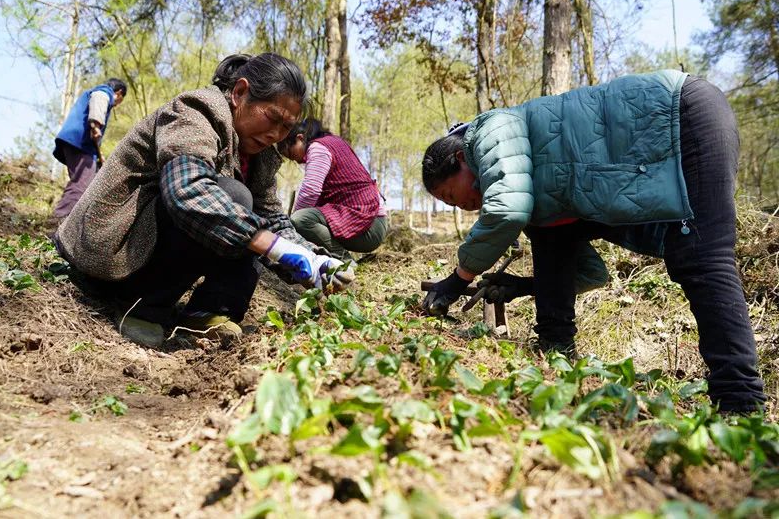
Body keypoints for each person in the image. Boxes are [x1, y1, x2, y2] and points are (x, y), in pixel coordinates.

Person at [420, 70, 767, 412]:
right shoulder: (543, 188)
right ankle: (555, 354)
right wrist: (525, 286)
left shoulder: (492, 128)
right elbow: (588, 275)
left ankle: (740, 398)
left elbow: (506, 211)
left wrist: (456, 279)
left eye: (453, 196)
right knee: (551, 234)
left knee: (701, 258)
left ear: (461, 159)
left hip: (680, 116)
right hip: (652, 141)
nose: (463, 207)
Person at [53, 53, 354, 348]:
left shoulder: (261, 154)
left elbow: (273, 219)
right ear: (240, 93)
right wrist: (271, 245)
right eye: (272, 118)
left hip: (143, 251)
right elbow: (186, 191)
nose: (276, 134)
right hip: (109, 249)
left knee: (249, 218)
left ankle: (208, 311)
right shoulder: (196, 111)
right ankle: (140, 304)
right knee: (234, 200)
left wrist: (315, 259)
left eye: (286, 128)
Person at [277, 119, 387, 260]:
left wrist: (292, 226)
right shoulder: (332, 141)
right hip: (372, 220)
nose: (293, 159)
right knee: (304, 217)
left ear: (300, 138)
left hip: (370, 226)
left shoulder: (317, 148)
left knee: (300, 220)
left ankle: (345, 261)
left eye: (290, 153)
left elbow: (310, 190)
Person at [52, 78, 127, 218]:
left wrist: (99, 156)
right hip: (80, 142)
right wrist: (96, 124)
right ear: (119, 93)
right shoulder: (105, 91)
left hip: (75, 143)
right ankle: (60, 221)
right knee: (81, 185)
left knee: (82, 182)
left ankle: (69, 222)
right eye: (119, 101)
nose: (116, 105)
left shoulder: (93, 93)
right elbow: (100, 99)